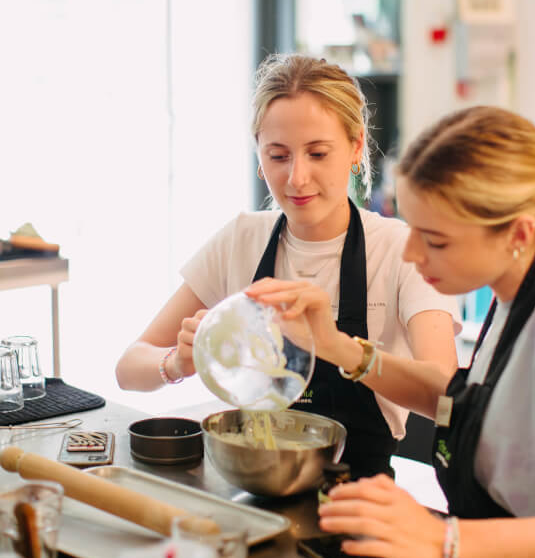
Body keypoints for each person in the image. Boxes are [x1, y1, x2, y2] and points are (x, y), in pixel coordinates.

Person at [246, 105, 535, 558]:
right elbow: (466, 406)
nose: (412, 253)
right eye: (412, 229)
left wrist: (443, 540)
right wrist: (335, 345)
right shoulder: (515, 294)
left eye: (435, 240)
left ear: (518, 232)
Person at [115, 54, 460, 479]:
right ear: (259, 158)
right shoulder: (240, 239)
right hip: (254, 481)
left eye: (317, 153)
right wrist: (178, 362)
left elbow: (445, 395)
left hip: (359, 496)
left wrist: (338, 347)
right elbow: (129, 368)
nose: (297, 178)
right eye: (278, 156)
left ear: (355, 147)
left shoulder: (401, 249)